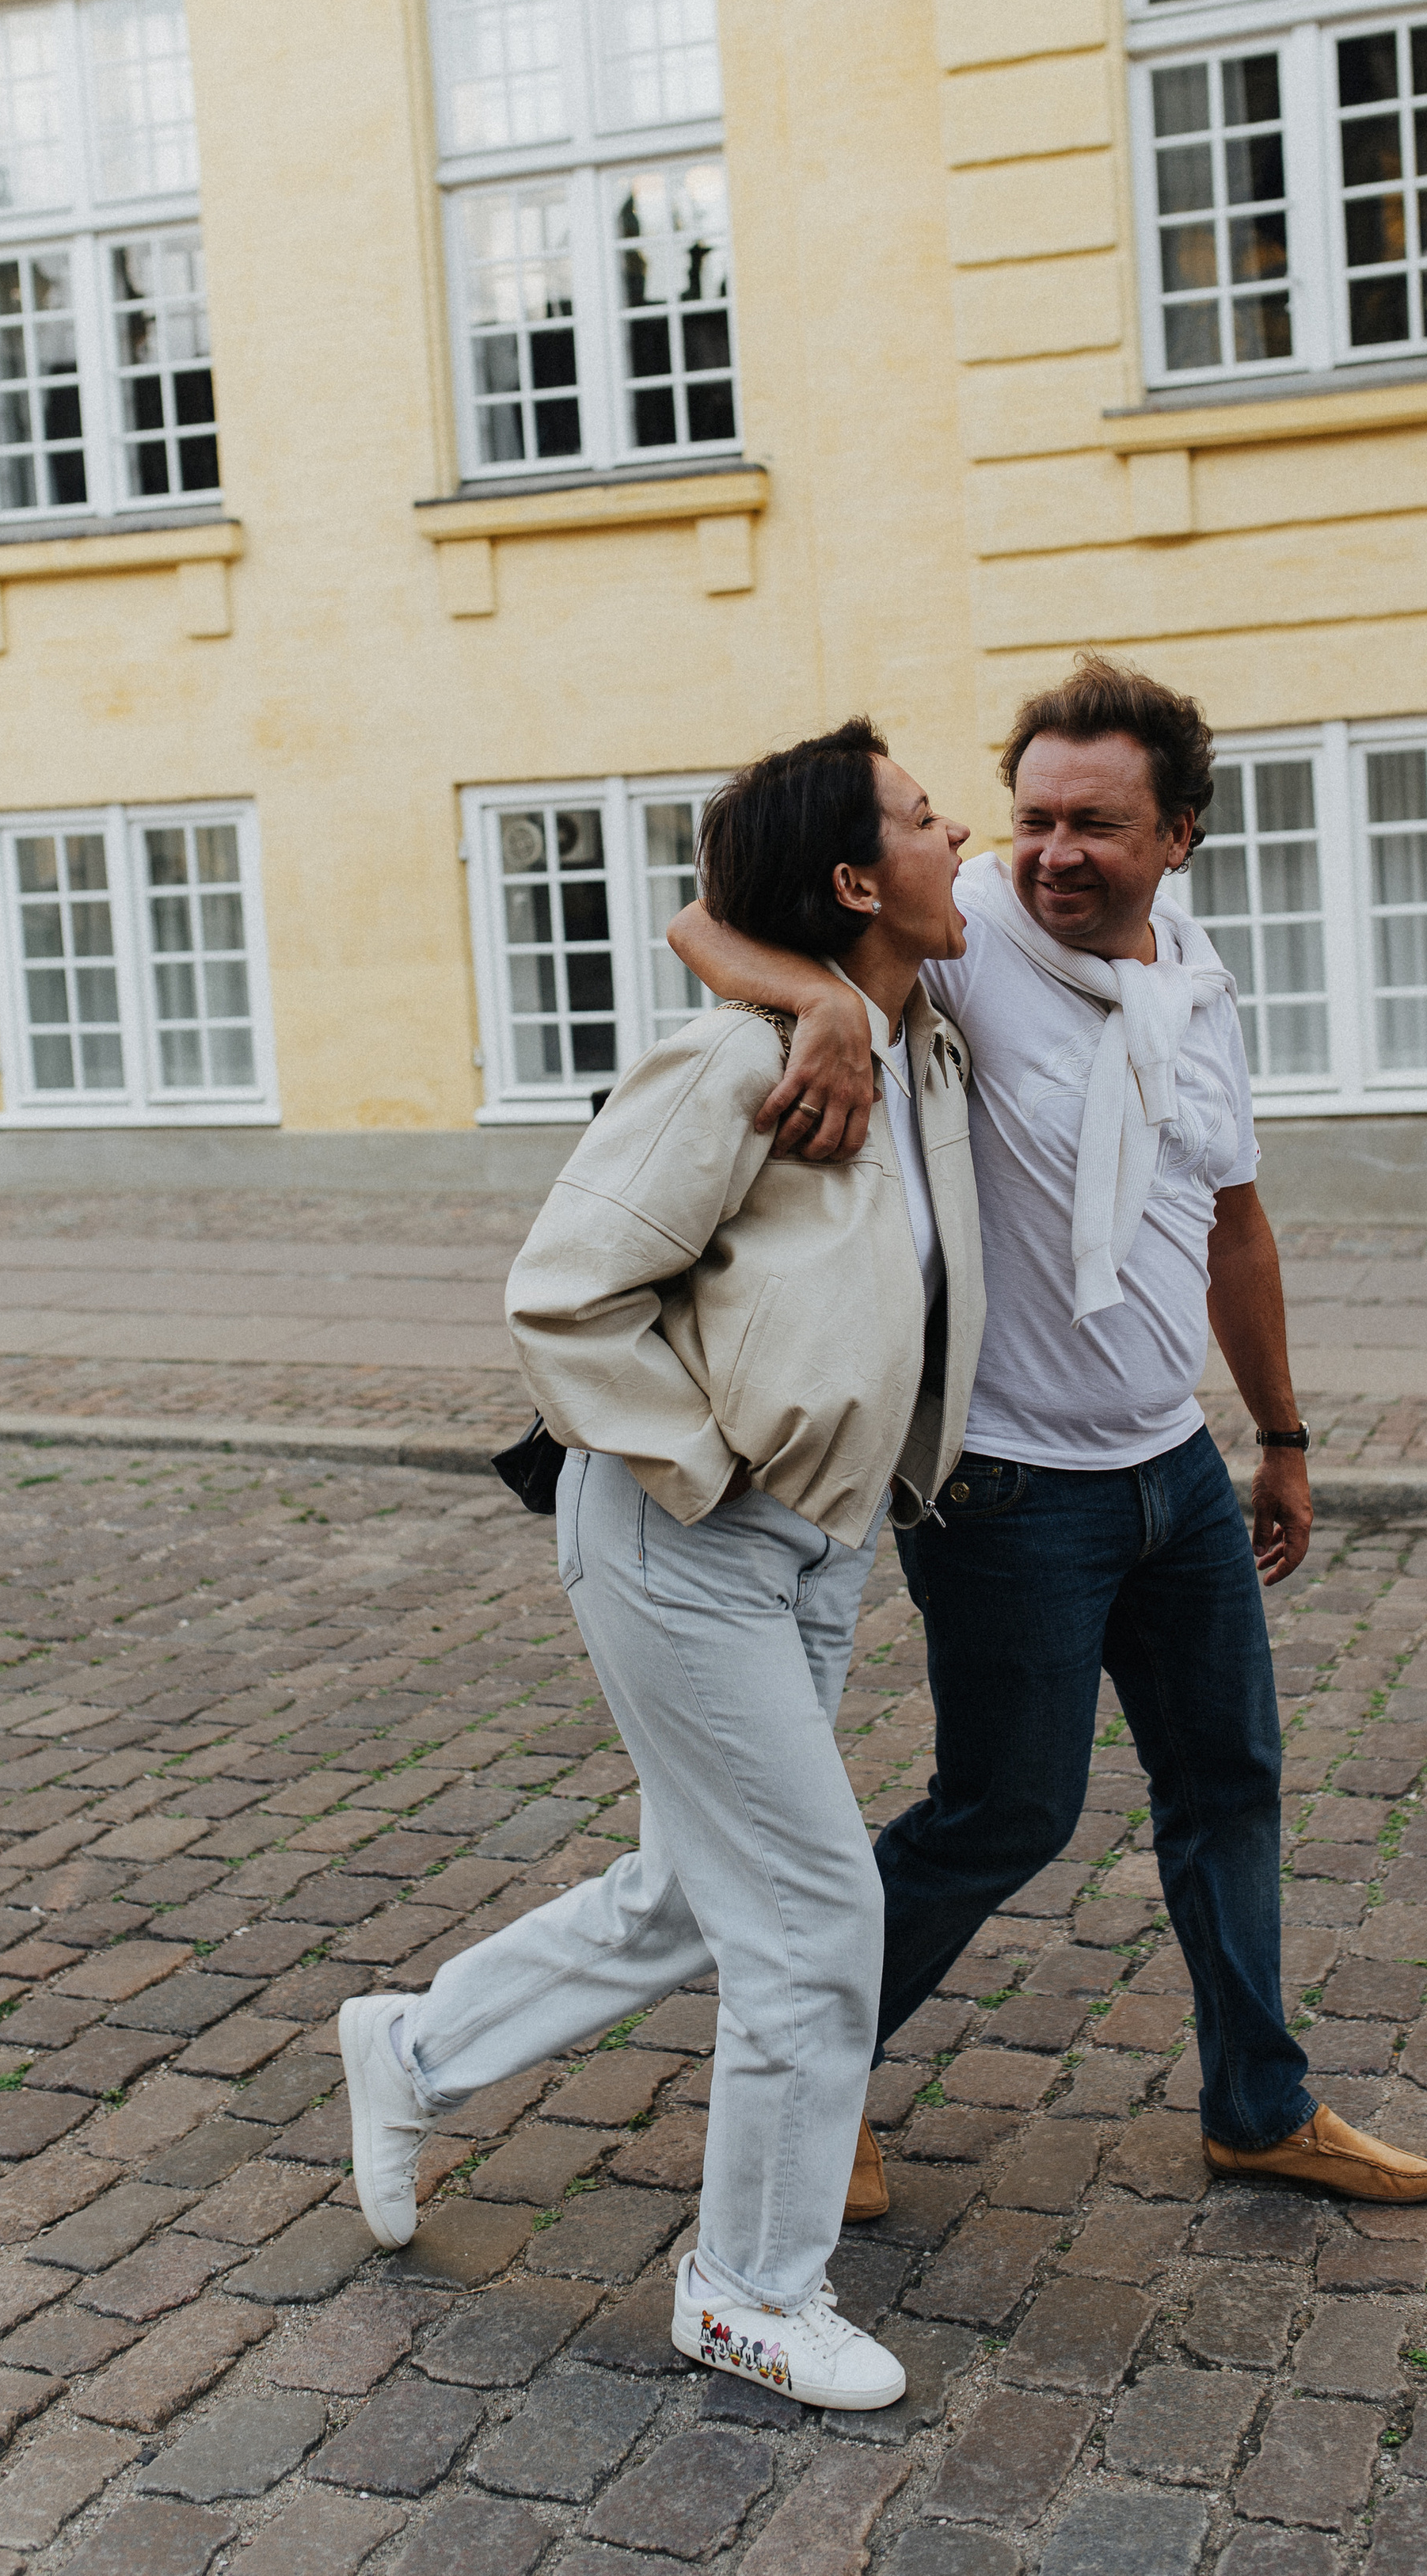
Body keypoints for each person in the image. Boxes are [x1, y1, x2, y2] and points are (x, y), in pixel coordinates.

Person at [670, 654, 1427, 2210]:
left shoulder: (1190, 982)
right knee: (1006, 1810)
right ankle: (798, 2075)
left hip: (1168, 1469)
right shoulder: (961, 935)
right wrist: (822, 997)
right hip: (1008, 1485)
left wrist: (1276, 1434)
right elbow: (703, 915)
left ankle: (1255, 2105)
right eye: (1030, 816)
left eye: (1093, 823)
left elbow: (1228, 1222)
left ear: (1176, 838)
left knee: (1226, 1780)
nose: (1048, 853)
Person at [337, 720, 986, 2410]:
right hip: (682, 1532)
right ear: (855, 877)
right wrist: (699, 1467)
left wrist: (833, 991)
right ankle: (747, 2288)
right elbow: (564, 1292)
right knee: (812, 1910)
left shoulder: (915, 1047)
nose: (960, 834)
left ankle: (413, 2050)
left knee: (693, 1892)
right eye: (926, 819)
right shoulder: (732, 1067)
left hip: (819, 1544)